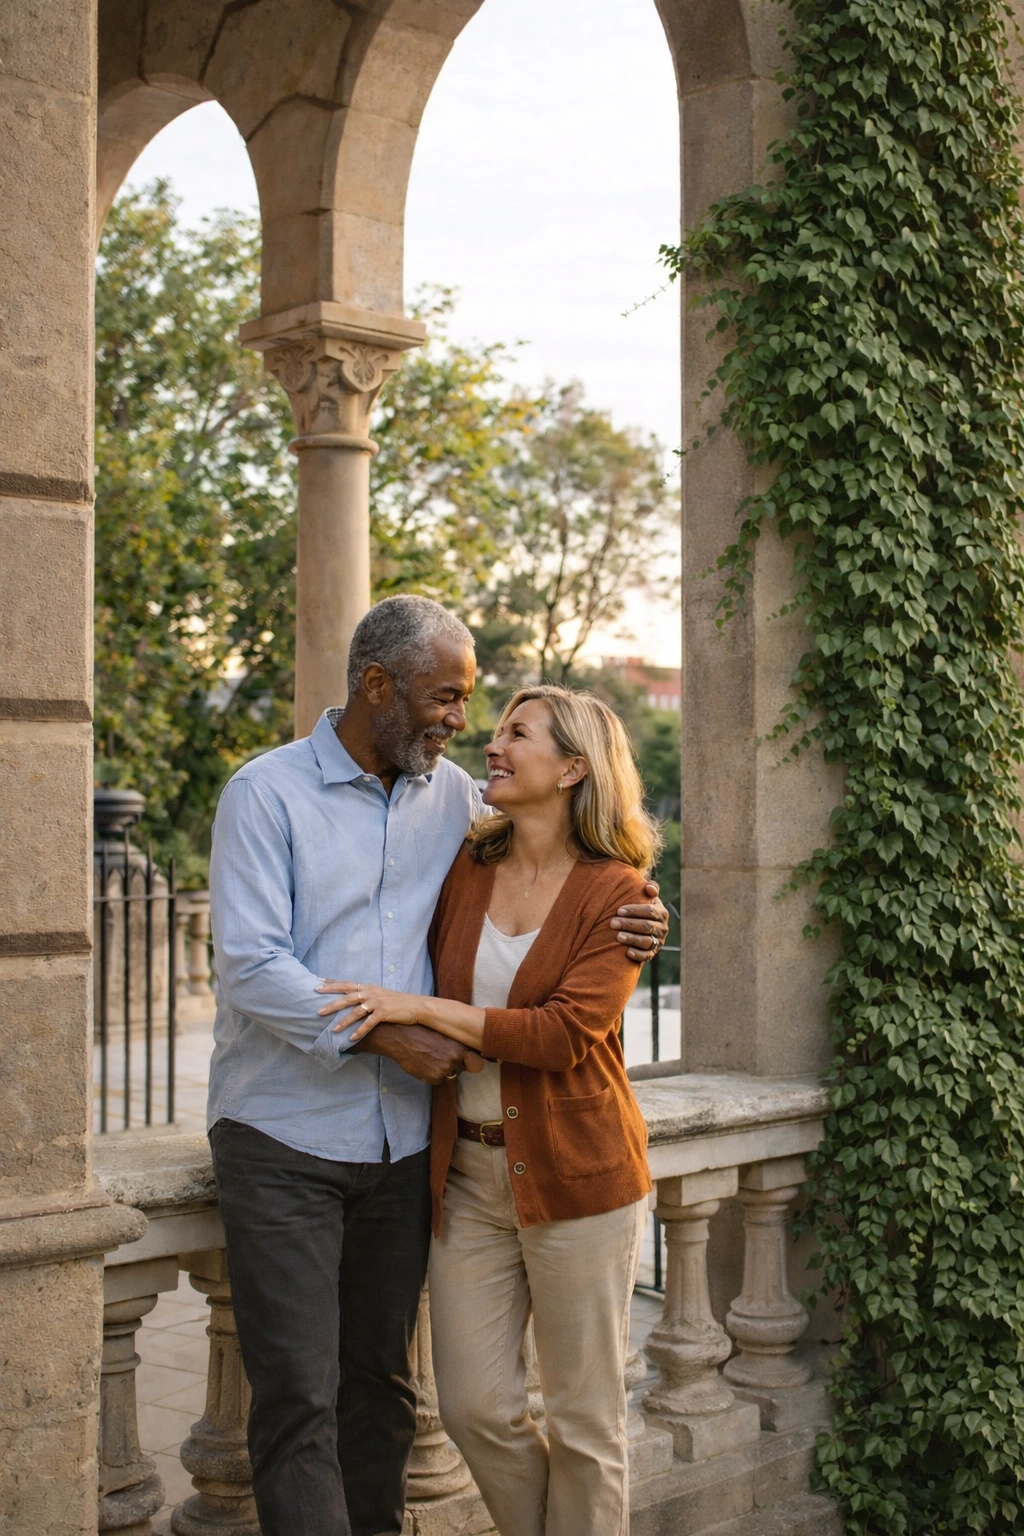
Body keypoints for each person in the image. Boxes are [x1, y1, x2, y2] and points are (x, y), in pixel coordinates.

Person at [206, 596, 668, 1536]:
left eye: (478, 709)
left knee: (383, 1385)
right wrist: (380, 1032)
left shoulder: (458, 802)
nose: (463, 722)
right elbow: (252, 964)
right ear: (377, 685)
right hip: (283, 1132)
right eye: (447, 697)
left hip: (413, 1145)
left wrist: (643, 917)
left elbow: (572, 902)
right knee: (299, 1391)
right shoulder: (265, 793)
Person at [317, 684, 660, 1536]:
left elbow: (558, 1037)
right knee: (474, 1409)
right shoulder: (467, 866)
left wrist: (417, 1009)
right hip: (466, 1178)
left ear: (574, 768)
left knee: (586, 1422)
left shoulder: (620, 895)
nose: (493, 746)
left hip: (580, 1180)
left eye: (517, 734)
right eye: (497, 730)